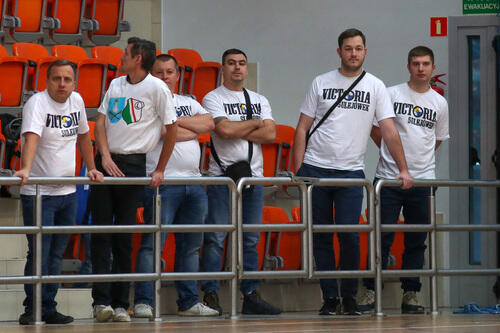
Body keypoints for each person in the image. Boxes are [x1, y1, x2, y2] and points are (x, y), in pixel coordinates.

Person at [292, 28, 413, 316]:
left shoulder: (375, 86)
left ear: (365, 52)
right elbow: (301, 127)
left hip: (350, 172)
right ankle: (329, 298)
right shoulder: (321, 82)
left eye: (358, 48)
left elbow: (388, 130)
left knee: (349, 235)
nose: (353, 53)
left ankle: (349, 297)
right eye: (348, 48)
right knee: (320, 236)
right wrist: (297, 170)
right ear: (339, 52)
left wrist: (403, 168)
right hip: (315, 168)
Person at [89, 37, 177, 323]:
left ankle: (119, 303)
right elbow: (101, 121)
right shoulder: (116, 83)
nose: (121, 57)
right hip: (107, 162)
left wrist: (160, 168)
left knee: (124, 237)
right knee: (100, 234)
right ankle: (99, 302)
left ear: (138, 58)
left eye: (126, 53)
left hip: (135, 164)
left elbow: (171, 129)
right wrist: (104, 156)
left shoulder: (157, 88)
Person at [357, 46, 449, 314]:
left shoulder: (439, 102)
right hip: (388, 178)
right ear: (408, 66)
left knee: (416, 240)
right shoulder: (391, 93)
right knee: (380, 237)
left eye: (425, 64)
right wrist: (392, 157)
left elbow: (438, 139)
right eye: (416, 63)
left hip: (423, 180)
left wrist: (417, 164)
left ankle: (411, 293)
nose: (421, 68)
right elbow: (376, 130)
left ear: (432, 67)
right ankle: (371, 290)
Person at [15, 59, 104, 325]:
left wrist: (91, 167)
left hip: (67, 191)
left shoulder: (76, 101)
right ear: (47, 80)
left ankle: (49, 306)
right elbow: (31, 136)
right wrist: (26, 168)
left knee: (56, 253)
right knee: (39, 252)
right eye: (57, 79)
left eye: (67, 79)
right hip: (39, 192)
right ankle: (32, 308)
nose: (62, 84)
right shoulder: (37, 103)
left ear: (74, 82)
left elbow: (84, 137)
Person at [133, 54, 218, 318]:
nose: (165, 77)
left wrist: (173, 122)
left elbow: (208, 124)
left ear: (178, 75)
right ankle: (144, 301)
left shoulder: (188, 102)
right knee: (152, 244)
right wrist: (187, 130)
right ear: (151, 75)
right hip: (161, 183)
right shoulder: (146, 103)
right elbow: (159, 132)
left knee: (191, 245)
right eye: (160, 72)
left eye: (170, 72)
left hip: (193, 183)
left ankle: (189, 301)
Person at [200, 48, 281, 315]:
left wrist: (242, 127)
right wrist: (255, 123)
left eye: (242, 64)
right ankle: (210, 293)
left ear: (247, 69)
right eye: (231, 63)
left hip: (252, 177)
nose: (237, 68)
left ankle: (250, 294)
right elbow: (223, 130)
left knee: (250, 239)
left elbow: (271, 134)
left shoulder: (258, 98)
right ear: (223, 68)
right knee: (216, 237)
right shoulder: (212, 98)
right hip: (222, 178)